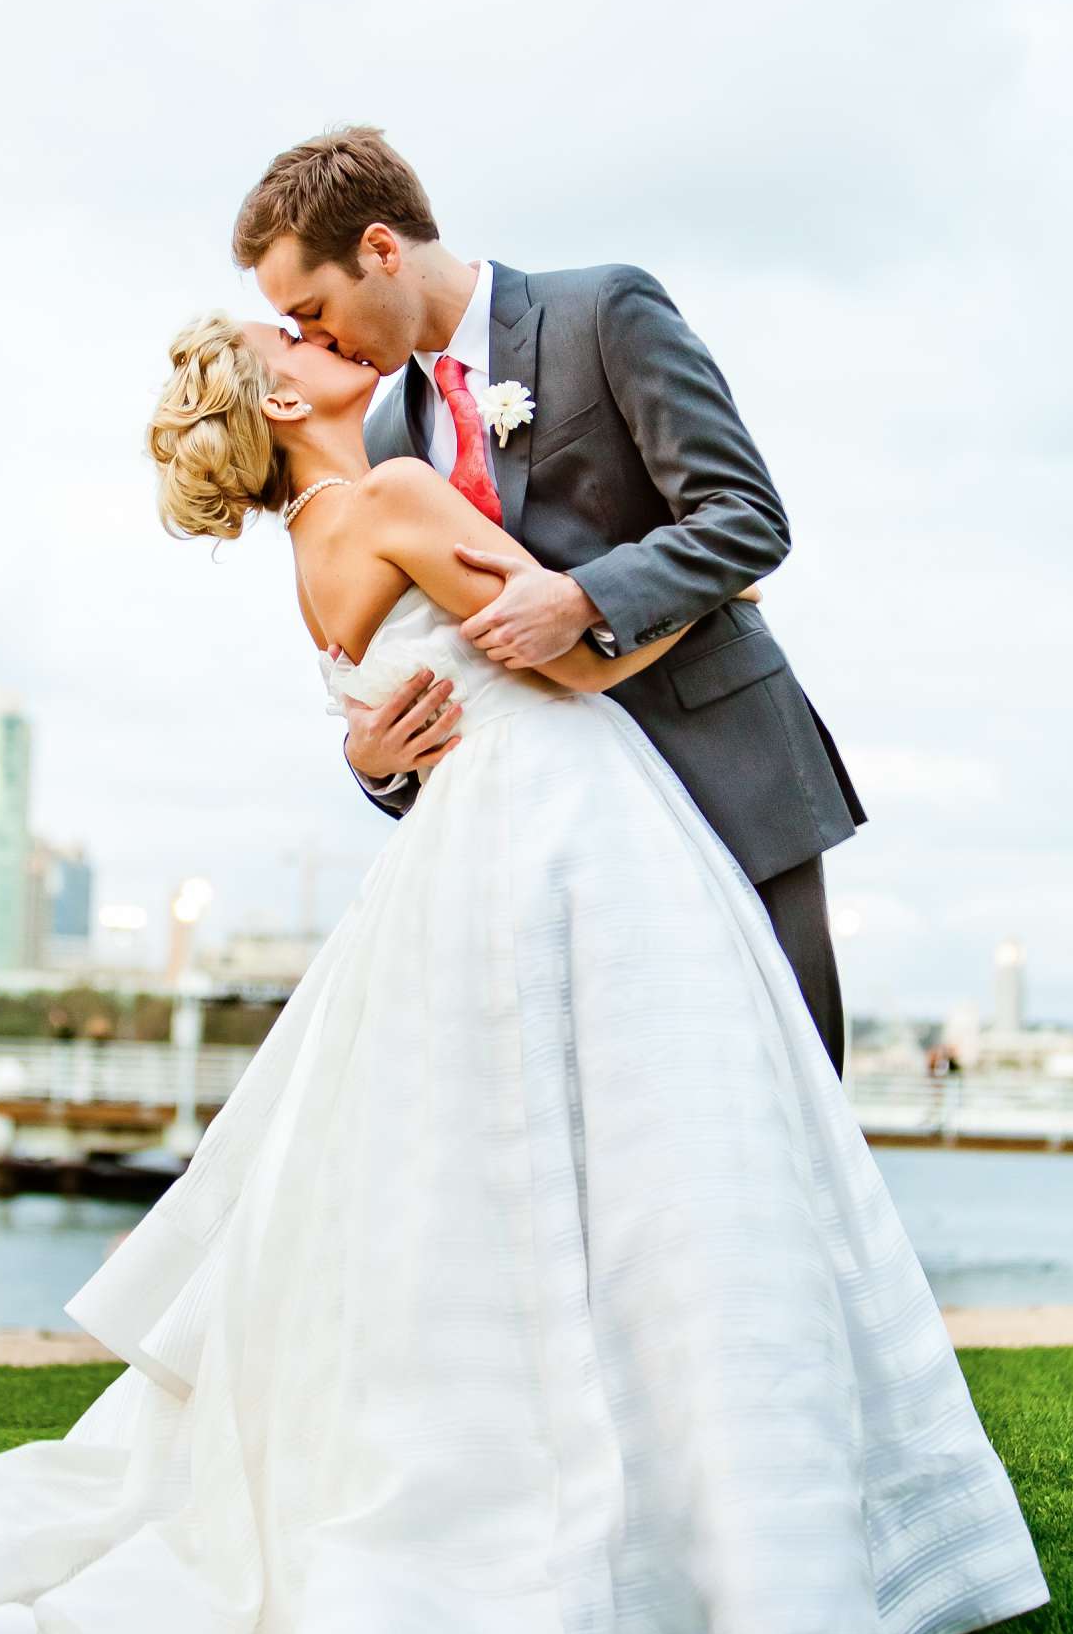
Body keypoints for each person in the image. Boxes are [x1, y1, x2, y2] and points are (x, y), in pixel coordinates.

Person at [0, 306, 1050, 1634]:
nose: (320, 332)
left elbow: (392, 709)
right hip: (568, 834)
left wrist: (374, 746)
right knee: (672, 1172)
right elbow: (580, 659)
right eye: (286, 332)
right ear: (283, 391)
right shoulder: (403, 497)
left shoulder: (316, 549)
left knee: (489, 1206)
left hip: (467, 864)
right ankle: (723, 1543)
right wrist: (710, 603)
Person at [237, 125, 866, 1078]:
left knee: (785, 1119)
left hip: (725, 781)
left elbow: (747, 517)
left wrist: (581, 598)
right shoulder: (382, 435)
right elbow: (417, 648)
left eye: (316, 310)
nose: (316, 341)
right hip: (558, 856)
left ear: (379, 249)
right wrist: (374, 763)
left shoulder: (604, 309)